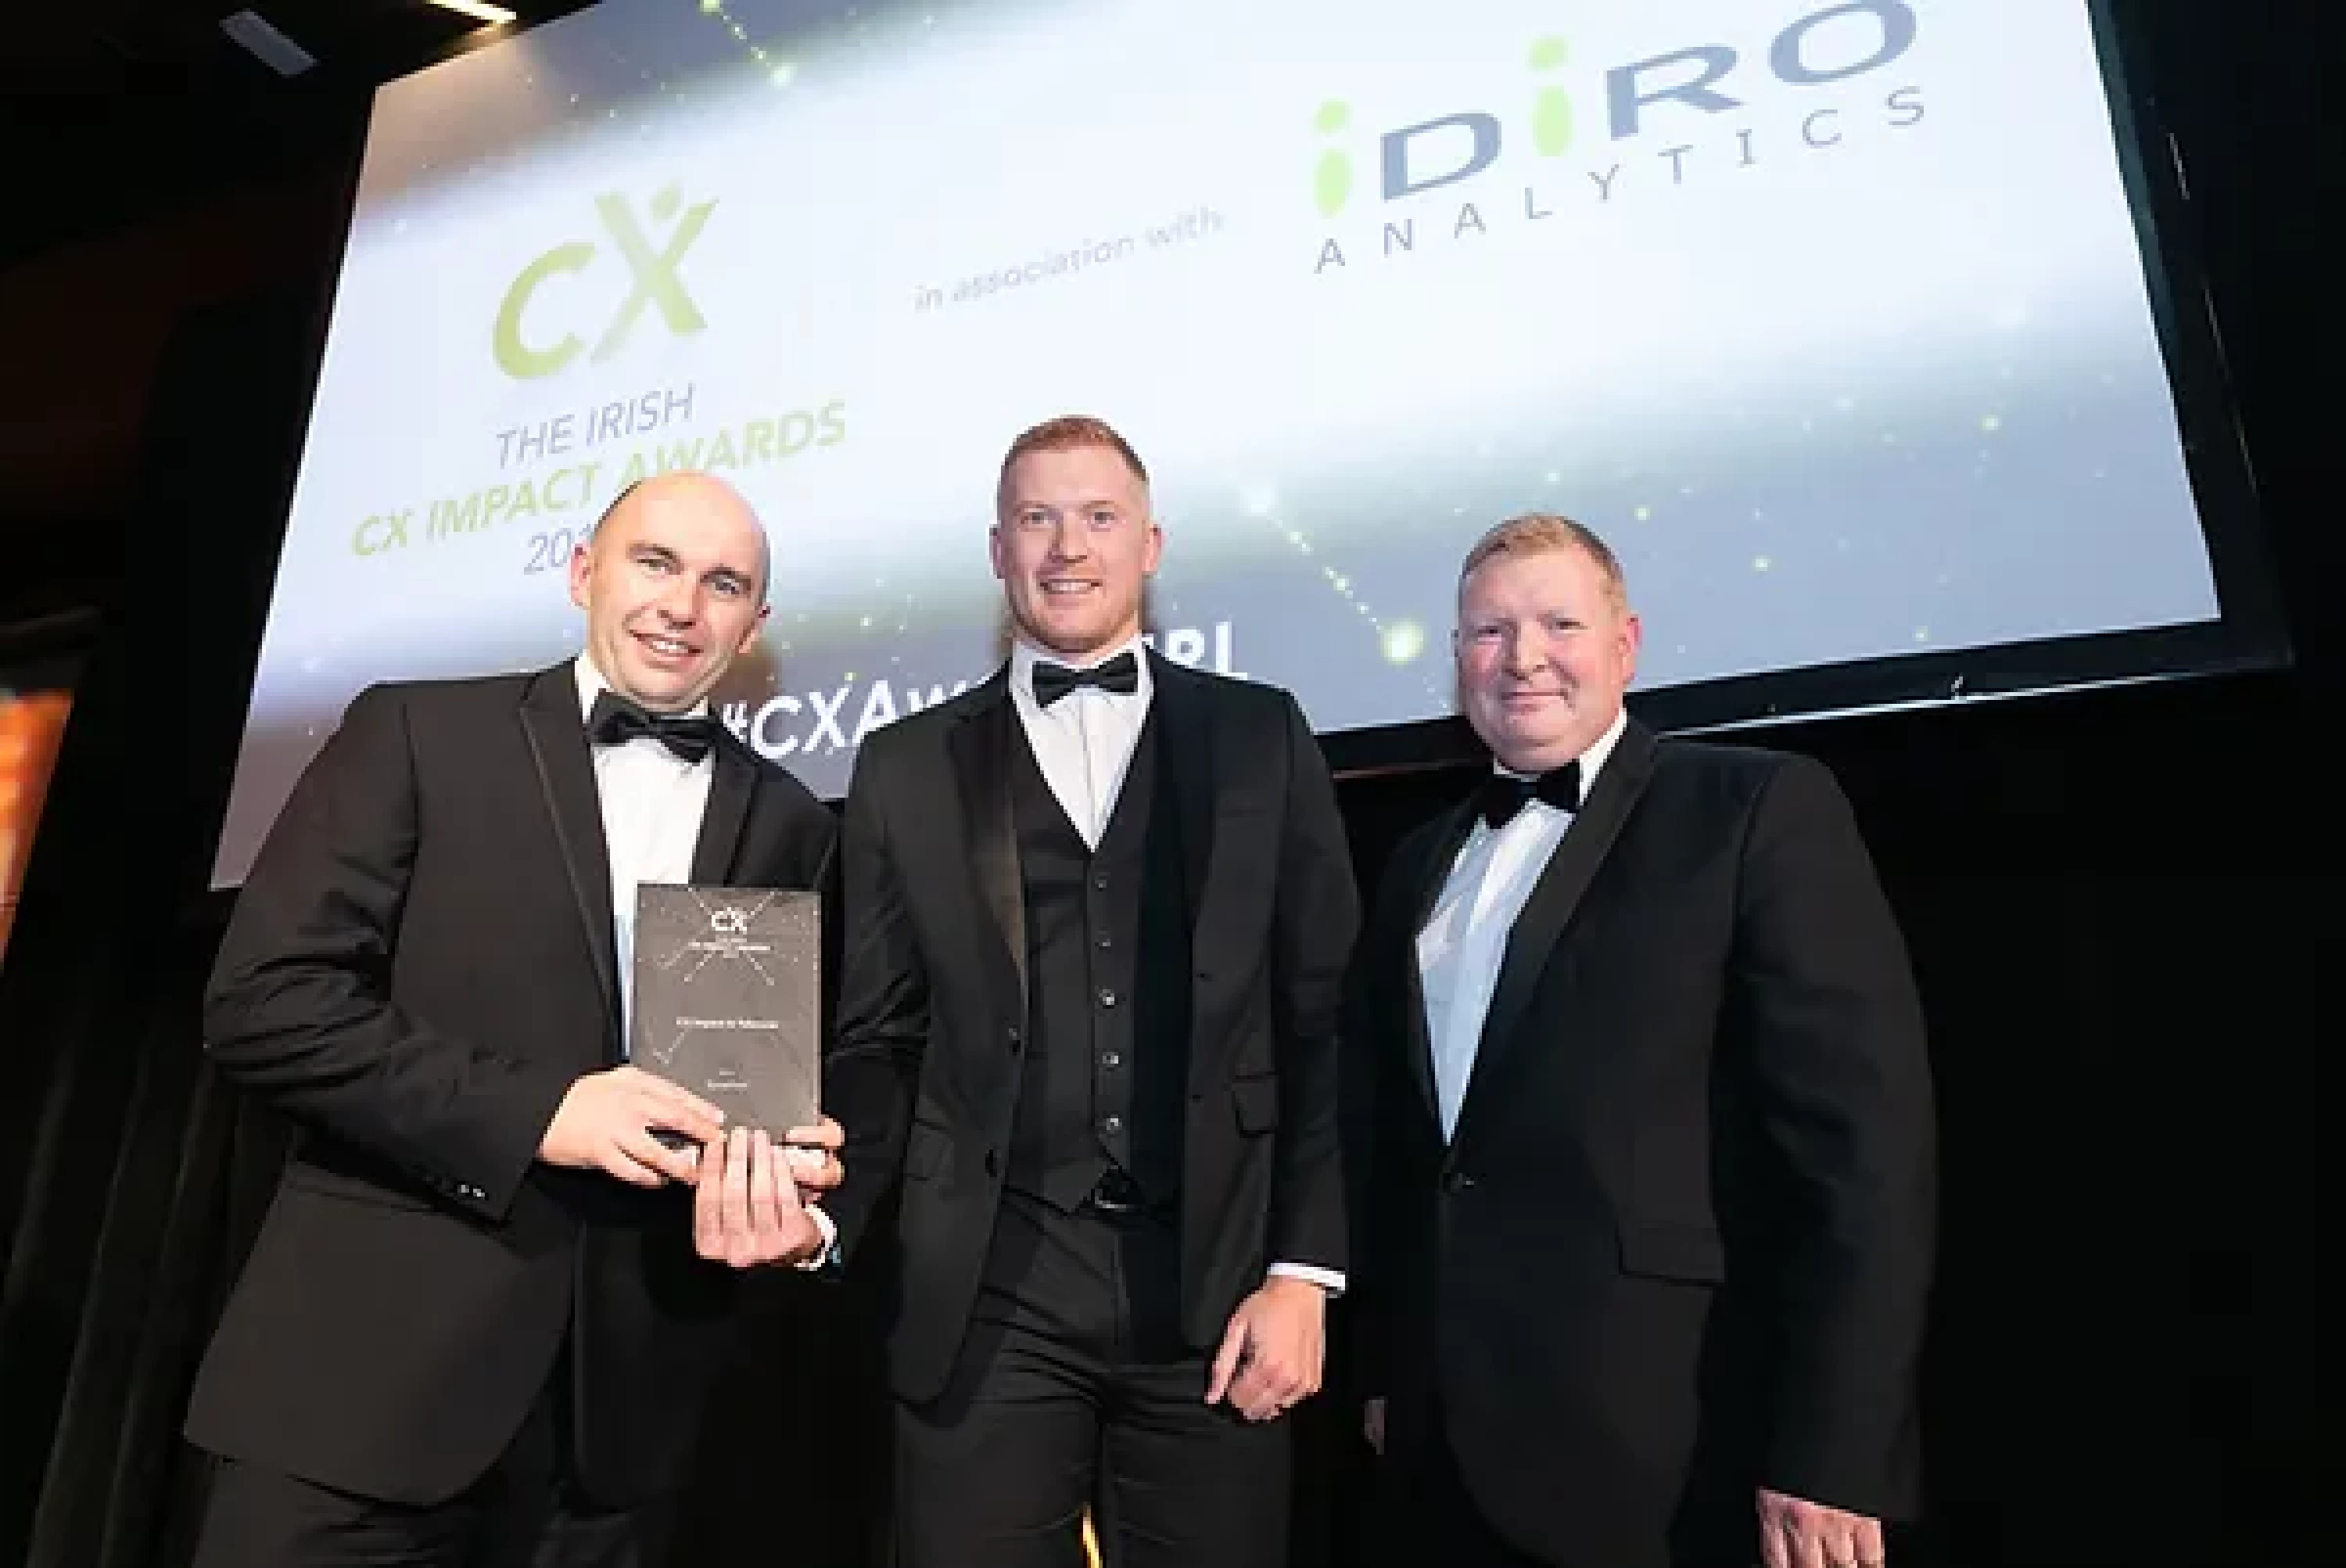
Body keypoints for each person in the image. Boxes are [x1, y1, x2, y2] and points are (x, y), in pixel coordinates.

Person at [182, 472, 846, 1567]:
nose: (683, 605)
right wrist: (540, 1112)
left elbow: (760, 1078)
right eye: (655, 563)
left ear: (754, 622)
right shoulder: (417, 731)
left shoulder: (790, 822)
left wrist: (785, 1184)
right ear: (583, 572)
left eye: (723, 583)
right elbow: (267, 1004)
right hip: (365, 1389)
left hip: (615, 1437)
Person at [1345, 514, 1937, 1568]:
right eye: (1489, 632)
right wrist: (1395, 1371)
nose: (1523, 658)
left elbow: (1863, 1154)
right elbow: (1405, 1147)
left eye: (1559, 624)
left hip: (1670, 1439)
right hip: (1444, 1450)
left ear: (1627, 645)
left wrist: (1837, 1448)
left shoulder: (1753, 807)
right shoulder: (1419, 862)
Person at [823, 414, 1358, 1568]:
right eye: (1038, 518)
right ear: (998, 550)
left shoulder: (1261, 734)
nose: (1068, 547)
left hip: (1218, 1291)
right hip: (989, 1295)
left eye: (1099, 517)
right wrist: (818, 1205)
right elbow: (879, 1035)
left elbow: (1324, 1018)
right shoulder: (904, 765)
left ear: (1150, 545)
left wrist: (1303, 1270)